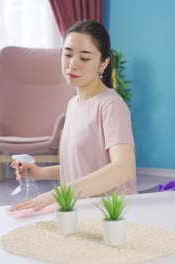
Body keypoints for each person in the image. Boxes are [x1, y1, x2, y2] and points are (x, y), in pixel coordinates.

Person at [9, 20, 136, 212]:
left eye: (84, 58)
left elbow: (124, 168)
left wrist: (57, 194)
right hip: (81, 208)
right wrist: (39, 172)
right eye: (67, 54)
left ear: (104, 62)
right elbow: (82, 167)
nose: (72, 64)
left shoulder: (111, 105)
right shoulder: (73, 104)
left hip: (113, 214)